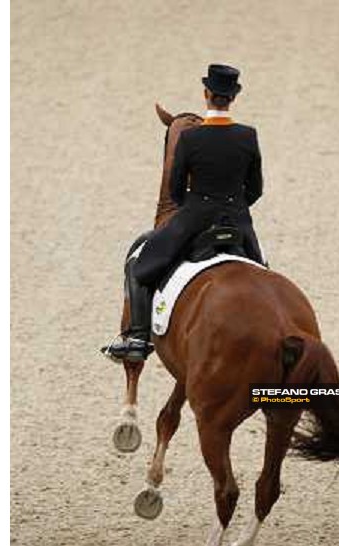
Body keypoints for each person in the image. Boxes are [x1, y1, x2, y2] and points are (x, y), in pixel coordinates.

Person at [102, 64, 265, 362]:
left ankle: (137, 338)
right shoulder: (248, 135)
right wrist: (235, 206)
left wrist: (196, 204)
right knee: (263, 272)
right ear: (233, 98)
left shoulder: (191, 139)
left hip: (195, 217)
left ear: (206, 94)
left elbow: (175, 190)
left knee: (140, 262)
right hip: (239, 221)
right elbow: (255, 189)